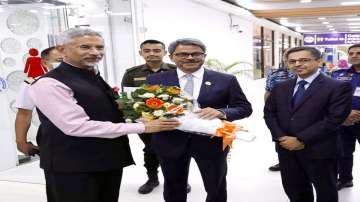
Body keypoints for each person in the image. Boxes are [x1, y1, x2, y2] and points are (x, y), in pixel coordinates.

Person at [28, 28, 180, 202]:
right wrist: (143, 126)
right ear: (62, 50)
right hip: (73, 164)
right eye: (85, 47)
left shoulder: (92, 75)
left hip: (106, 160)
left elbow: (104, 109)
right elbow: (76, 125)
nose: (95, 52)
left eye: (100, 48)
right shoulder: (50, 83)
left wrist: (140, 116)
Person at [146, 38, 252, 202]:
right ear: (172, 57)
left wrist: (220, 112)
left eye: (195, 54)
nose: (189, 58)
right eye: (182, 54)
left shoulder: (225, 80)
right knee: (173, 187)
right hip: (170, 141)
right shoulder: (156, 80)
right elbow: (146, 109)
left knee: (215, 186)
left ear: (204, 56)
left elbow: (244, 107)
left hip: (211, 143)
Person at [264, 46, 352, 202]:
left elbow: (334, 119)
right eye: (292, 61)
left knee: (326, 191)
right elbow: (269, 114)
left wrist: (300, 139)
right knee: (294, 190)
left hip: (320, 150)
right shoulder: (280, 87)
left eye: (304, 60)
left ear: (319, 61)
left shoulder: (337, 87)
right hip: (286, 150)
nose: (297, 64)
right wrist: (281, 137)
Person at [122, 39, 191, 194]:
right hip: (146, 122)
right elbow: (127, 100)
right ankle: (152, 178)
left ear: (165, 53)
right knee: (150, 150)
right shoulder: (132, 74)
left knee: (178, 150)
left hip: (174, 121)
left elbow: (187, 96)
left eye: (156, 50)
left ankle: (180, 180)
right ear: (141, 53)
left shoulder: (176, 70)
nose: (152, 54)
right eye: (147, 51)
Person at [15, 46, 62, 156]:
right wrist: (21, 142)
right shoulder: (34, 83)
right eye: (59, 60)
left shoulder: (87, 78)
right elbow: (24, 113)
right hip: (53, 136)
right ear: (45, 62)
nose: (64, 64)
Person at [332, 44, 360, 190]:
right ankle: (345, 179)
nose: (354, 55)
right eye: (352, 53)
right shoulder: (338, 74)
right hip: (343, 121)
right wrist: (344, 114)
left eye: (359, 53)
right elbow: (328, 98)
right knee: (343, 152)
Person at [265, 64, 296, 172]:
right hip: (282, 113)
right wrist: (269, 109)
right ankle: (282, 161)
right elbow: (268, 92)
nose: (296, 63)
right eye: (292, 60)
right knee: (281, 141)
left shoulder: (322, 76)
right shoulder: (275, 75)